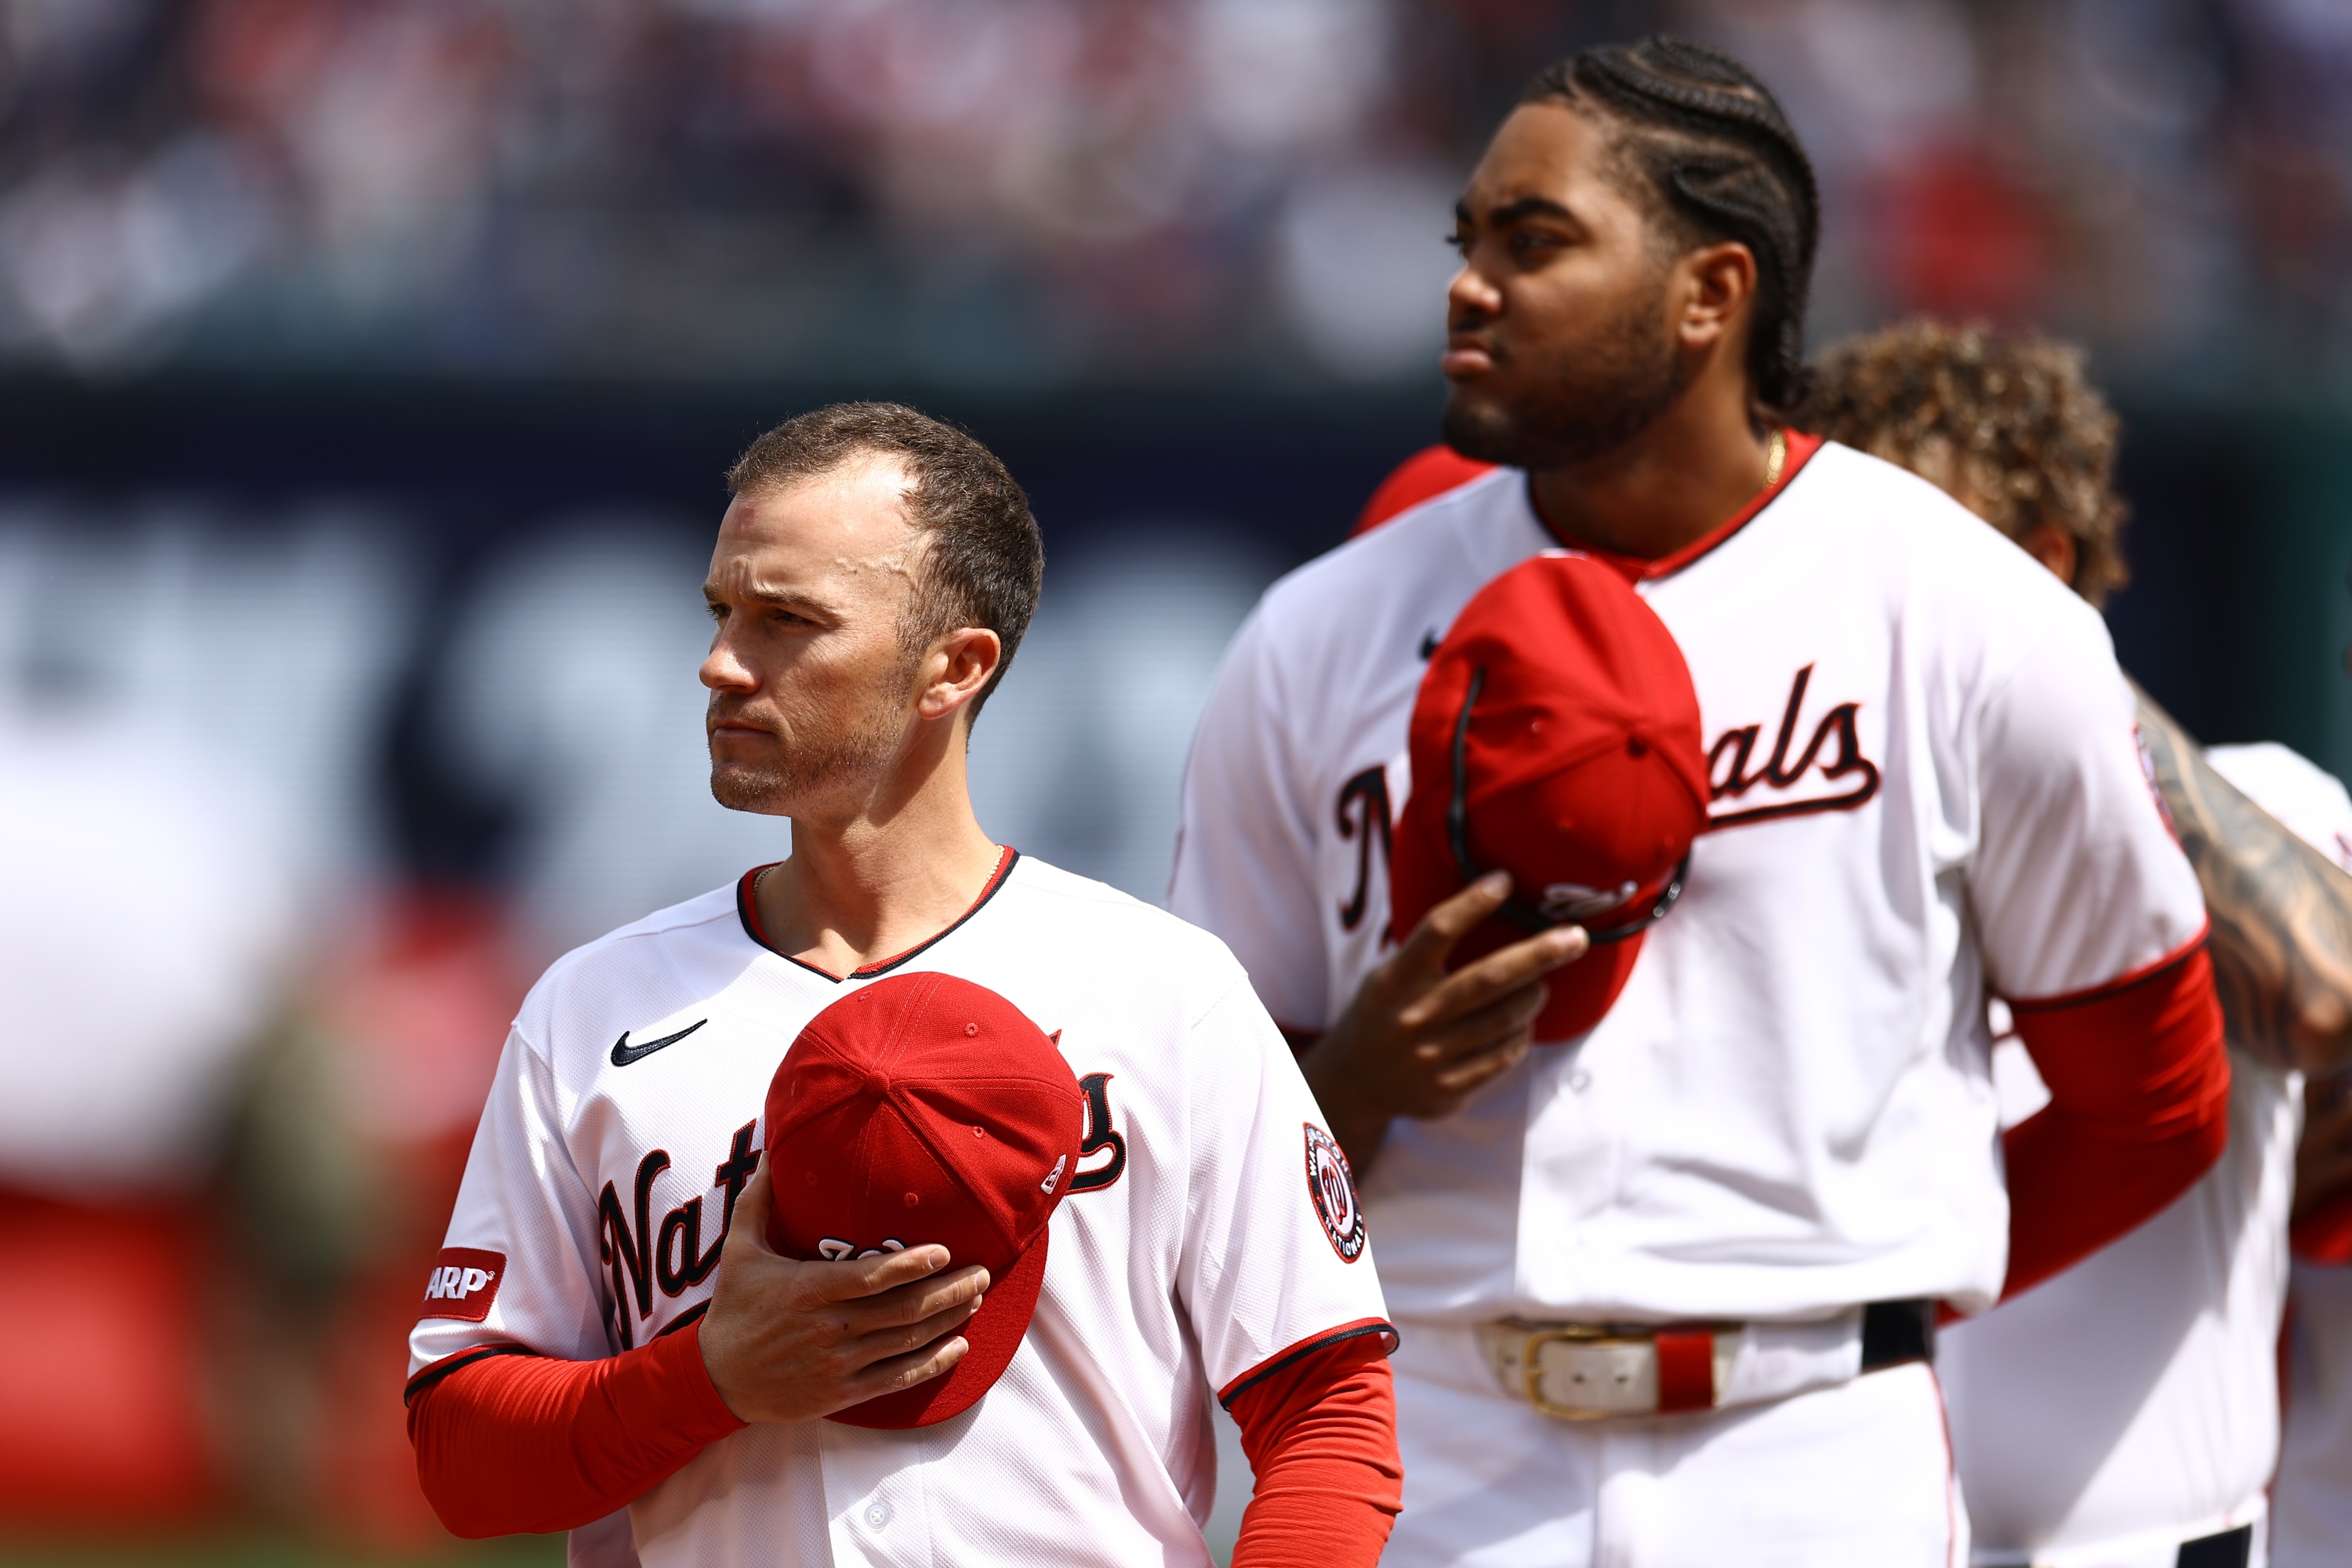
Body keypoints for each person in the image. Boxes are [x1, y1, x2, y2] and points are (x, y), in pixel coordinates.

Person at [1169, 36, 2228, 1566]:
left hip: (1809, 1450)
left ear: (1711, 293)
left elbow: (2157, 1093)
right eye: (1466, 243)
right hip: (1440, 1433)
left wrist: (1902, 1267)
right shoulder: (1314, 635)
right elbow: (1205, 1158)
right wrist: (1365, 1081)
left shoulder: (1965, 615)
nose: (1469, 286)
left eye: (1535, 244)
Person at [403, 403, 1401, 1567]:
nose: (722, 663)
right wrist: (711, 1378)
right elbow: (462, 1458)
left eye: (789, 622)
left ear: (954, 668)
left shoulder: (1163, 989)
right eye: (723, 612)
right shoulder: (593, 1006)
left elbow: (1329, 1409)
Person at [1802, 318, 2352, 1568]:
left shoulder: (2259, 794)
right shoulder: (1793, 858)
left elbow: (2323, 992)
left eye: (1907, 566)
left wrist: (2046, 667)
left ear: (2040, 567)